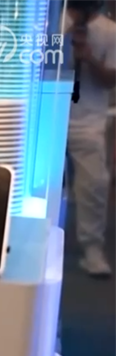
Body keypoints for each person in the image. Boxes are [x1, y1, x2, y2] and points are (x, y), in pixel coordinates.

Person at [66, 0, 116, 277]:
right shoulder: (52, 23)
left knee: (95, 183)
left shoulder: (110, 31)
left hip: (88, 120)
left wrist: (89, 58)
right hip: (49, 113)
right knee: (36, 182)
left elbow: (111, 79)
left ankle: (92, 249)